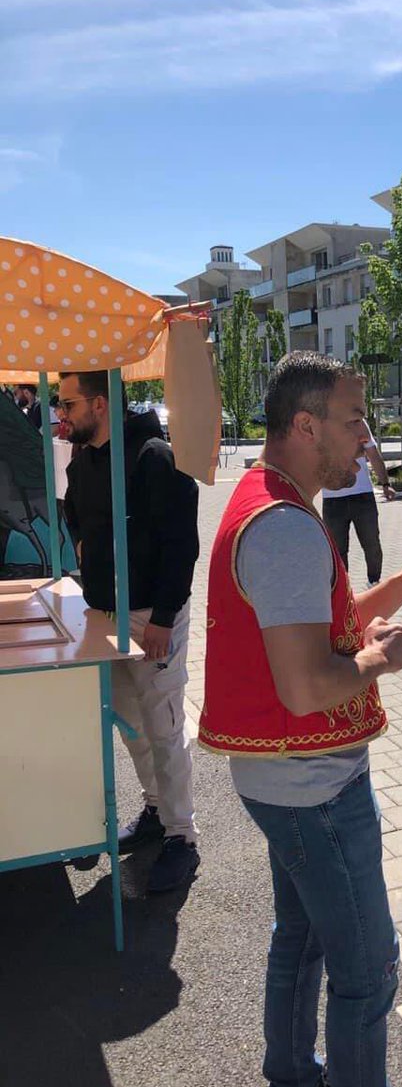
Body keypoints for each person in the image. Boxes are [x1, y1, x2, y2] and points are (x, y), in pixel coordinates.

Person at [199, 352, 402, 1087]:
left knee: (303, 936)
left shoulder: (271, 507)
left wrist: (401, 586)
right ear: (306, 425)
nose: (367, 437)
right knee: (367, 968)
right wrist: (384, 660)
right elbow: (310, 683)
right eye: (355, 420)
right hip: (314, 789)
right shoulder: (282, 527)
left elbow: (317, 627)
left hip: (287, 783)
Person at [60, 371, 201, 894]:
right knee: (131, 725)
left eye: (68, 402)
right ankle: (155, 811)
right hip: (106, 616)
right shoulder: (84, 460)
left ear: (100, 403)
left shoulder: (154, 457)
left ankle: (182, 837)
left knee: (164, 728)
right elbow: (74, 513)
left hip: (152, 617)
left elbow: (182, 543)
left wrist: (164, 618)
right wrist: (82, 547)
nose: (61, 412)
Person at [322, 420, 396, 587]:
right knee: (337, 550)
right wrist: (355, 451)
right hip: (332, 499)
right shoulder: (320, 421)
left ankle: (374, 582)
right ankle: (342, 590)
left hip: (363, 495)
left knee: (372, 544)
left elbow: (373, 454)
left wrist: (385, 484)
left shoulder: (358, 423)